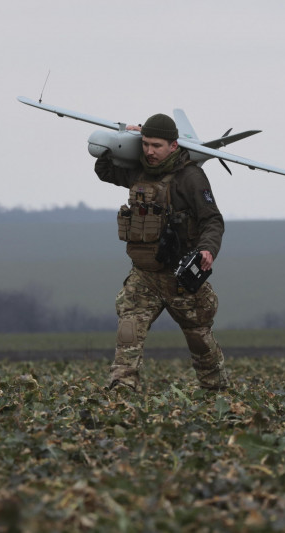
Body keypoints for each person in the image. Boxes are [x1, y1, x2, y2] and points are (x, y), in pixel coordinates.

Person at [95, 113, 230, 393]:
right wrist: (123, 139)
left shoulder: (191, 176)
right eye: (145, 144)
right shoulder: (138, 170)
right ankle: (122, 389)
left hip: (180, 277)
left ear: (173, 146)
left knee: (200, 340)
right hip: (144, 276)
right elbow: (105, 171)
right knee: (128, 332)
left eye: (156, 145)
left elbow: (212, 219)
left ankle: (216, 393)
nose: (149, 151)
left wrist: (208, 248)